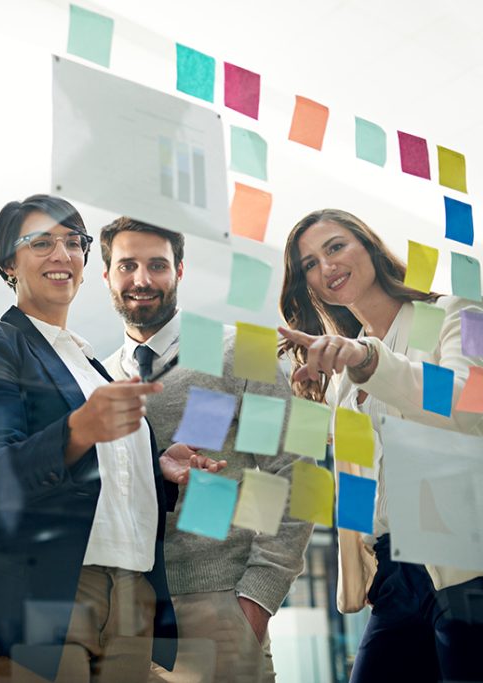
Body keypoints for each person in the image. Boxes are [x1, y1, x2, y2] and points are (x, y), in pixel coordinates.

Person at [0, 195, 212, 682]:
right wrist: (77, 429)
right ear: (9, 262)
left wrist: (159, 470)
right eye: (41, 242)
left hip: (130, 591)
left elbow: (100, 477)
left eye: (74, 242)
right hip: (40, 592)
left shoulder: (91, 368)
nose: (62, 254)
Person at [278, 208, 483, 682]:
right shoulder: (346, 381)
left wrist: (370, 361)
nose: (325, 267)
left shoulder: (461, 311)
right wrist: (366, 563)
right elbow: (359, 482)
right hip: (394, 576)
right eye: (308, 264)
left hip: (470, 557)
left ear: (370, 246)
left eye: (336, 247)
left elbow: (466, 401)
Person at [99, 216, 313, 683]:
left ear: (180, 270)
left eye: (157, 265)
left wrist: (255, 599)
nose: (142, 279)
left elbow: (295, 474)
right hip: (125, 617)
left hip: (216, 607)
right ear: (107, 276)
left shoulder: (241, 351)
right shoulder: (101, 377)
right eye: (127, 265)